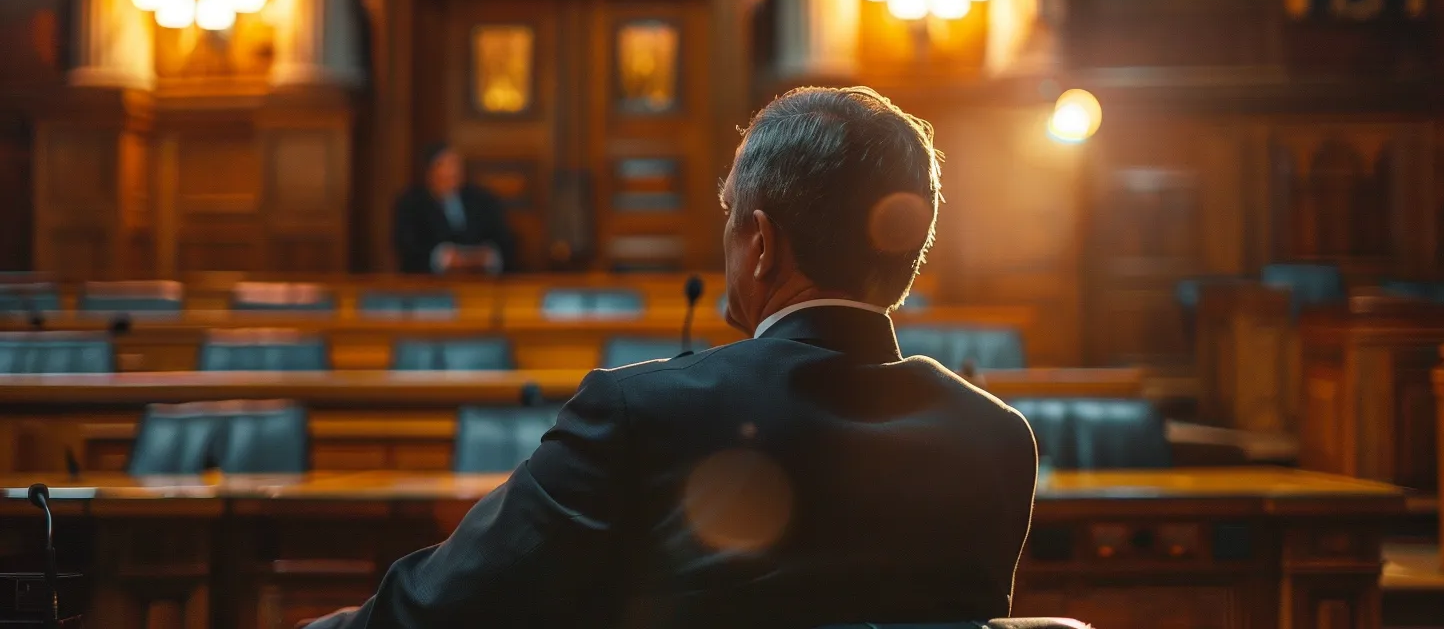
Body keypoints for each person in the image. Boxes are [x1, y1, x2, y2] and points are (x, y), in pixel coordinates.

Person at [308, 87, 1038, 628]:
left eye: (729, 218)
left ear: (761, 242)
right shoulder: (997, 440)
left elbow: (444, 612)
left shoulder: (641, 413)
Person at [392, 143, 517, 274]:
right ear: (430, 171)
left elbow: (504, 242)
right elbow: (408, 249)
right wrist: (444, 258)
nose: (453, 171)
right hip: (428, 286)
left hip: (481, 282)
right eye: (445, 165)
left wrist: (486, 256)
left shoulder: (483, 200)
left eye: (456, 165)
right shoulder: (410, 205)